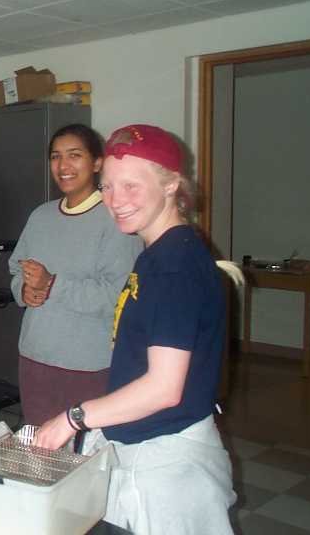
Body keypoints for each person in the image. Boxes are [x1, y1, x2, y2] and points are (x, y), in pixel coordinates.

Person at [34, 124, 237, 534]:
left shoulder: (173, 266)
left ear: (170, 185)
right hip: (143, 446)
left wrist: (72, 419)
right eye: (107, 187)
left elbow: (164, 388)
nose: (116, 201)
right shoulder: (158, 254)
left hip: (165, 464)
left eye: (131, 185)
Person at [8, 124, 142, 426]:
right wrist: (24, 290)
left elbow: (116, 297)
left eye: (74, 155)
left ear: (97, 163)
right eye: (56, 157)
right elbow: (17, 269)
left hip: (87, 365)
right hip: (35, 356)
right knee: (40, 447)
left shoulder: (116, 220)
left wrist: (52, 283)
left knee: (83, 459)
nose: (63, 166)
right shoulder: (41, 216)